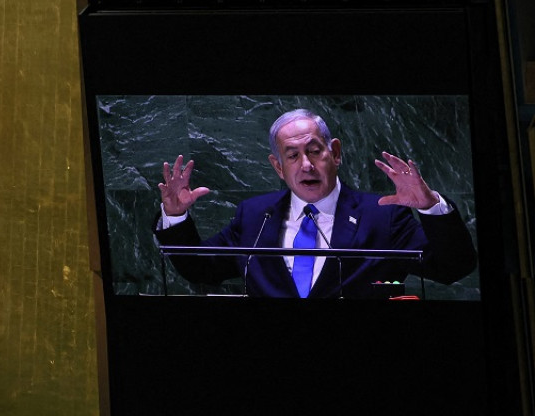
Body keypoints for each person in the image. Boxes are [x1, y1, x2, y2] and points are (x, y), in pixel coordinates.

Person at [155, 109, 477, 298]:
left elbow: (454, 267)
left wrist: (430, 206)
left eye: (314, 151)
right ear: (278, 167)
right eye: (292, 156)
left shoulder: (382, 216)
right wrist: (175, 216)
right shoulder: (255, 216)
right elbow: (200, 269)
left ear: (335, 153)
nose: (306, 165)